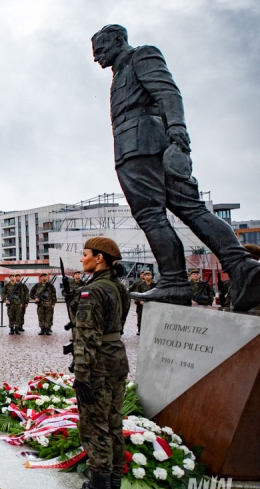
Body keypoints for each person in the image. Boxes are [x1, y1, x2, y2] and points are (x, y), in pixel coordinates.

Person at [92, 24, 260, 311]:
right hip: (143, 143)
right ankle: (243, 268)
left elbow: (168, 92)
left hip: (142, 145)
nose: (97, 57)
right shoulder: (120, 71)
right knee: (190, 208)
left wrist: (178, 134)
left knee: (152, 215)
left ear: (119, 40)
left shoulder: (140, 56)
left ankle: (174, 282)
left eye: (101, 49)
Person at [63, 237, 130, 489]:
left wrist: (81, 376)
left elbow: (87, 338)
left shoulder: (94, 291)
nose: (82, 259)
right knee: (113, 424)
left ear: (100, 258)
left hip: (98, 366)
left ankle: (98, 488)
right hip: (116, 360)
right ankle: (114, 488)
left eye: (85, 254)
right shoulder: (117, 287)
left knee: (94, 426)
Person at [128, 271, 154, 335]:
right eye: (146, 275)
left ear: (151, 276)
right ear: (143, 277)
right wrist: (139, 300)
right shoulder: (140, 285)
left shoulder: (155, 285)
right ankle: (140, 330)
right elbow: (137, 294)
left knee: (151, 317)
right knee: (140, 317)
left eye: (149, 275)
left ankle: (150, 329)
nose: (147, 277)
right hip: (141, 304)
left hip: (152, 304)